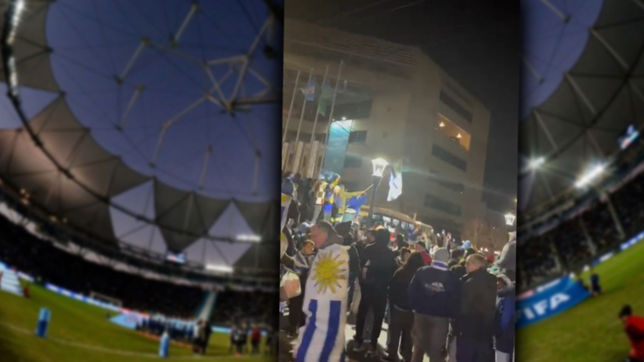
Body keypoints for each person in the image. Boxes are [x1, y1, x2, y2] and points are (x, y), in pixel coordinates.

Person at [293, 221, 355, 362]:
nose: (312, 239)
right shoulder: (326, 253)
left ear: (325, 234)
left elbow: (329, 299)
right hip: (318, 321)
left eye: (314, 235)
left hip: (322, 325)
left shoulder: (335, 254)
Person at [408, 248, 461, 362]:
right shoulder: (453, 278)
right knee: (436, 351)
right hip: (441, 317)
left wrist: (414, 307)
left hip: (421, 313)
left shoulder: (422, 271)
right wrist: (452, 315)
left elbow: (412, 291)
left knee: (418, 347)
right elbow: (455, 299)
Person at [354, 228, 396, 353]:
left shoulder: (369, 248)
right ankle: (373, 342)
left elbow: (361, 266)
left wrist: (362, 282)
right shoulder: (390, 253)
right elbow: (391, 272)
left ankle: (359, 339)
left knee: (362, 313)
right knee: (378, 317)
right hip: (381, 289)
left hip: (367, 287)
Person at [457, 254, 497, 362]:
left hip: (470, 329)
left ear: (477, 265)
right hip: (487, 328)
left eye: (468, 263)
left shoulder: (471, 283)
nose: (465, 266)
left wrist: (457, 324)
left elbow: (463, 307)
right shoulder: (494, 280)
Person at [387, 252, 425, 362]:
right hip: (413, 311)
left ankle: (392, 354)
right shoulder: (421, 276)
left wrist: (393, 303)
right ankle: (406, 355)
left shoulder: (400, 272)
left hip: (398, 308)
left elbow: (392, 289)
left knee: (394, 332)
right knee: (409, 336)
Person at [494, 272, 515, 362]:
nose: (496, 284)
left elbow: (505, 319)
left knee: (502, 357)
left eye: (499, 282)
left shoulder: (507, 297)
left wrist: (498, 332)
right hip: (505, 334)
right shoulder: (501, 295)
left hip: (504, 335)